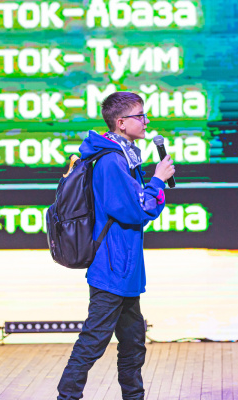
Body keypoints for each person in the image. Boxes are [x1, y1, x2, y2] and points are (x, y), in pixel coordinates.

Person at [57, 91, 175, 400]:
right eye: (140, 116)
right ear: (121, 122)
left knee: (133, 343)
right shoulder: (112, 161)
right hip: (112, 267)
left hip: (125, 267)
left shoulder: (124, 155)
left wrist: (154, 184)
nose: (146, 121)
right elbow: (136, 210)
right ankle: (66, 397)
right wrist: (158, 180)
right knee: (93, 342)